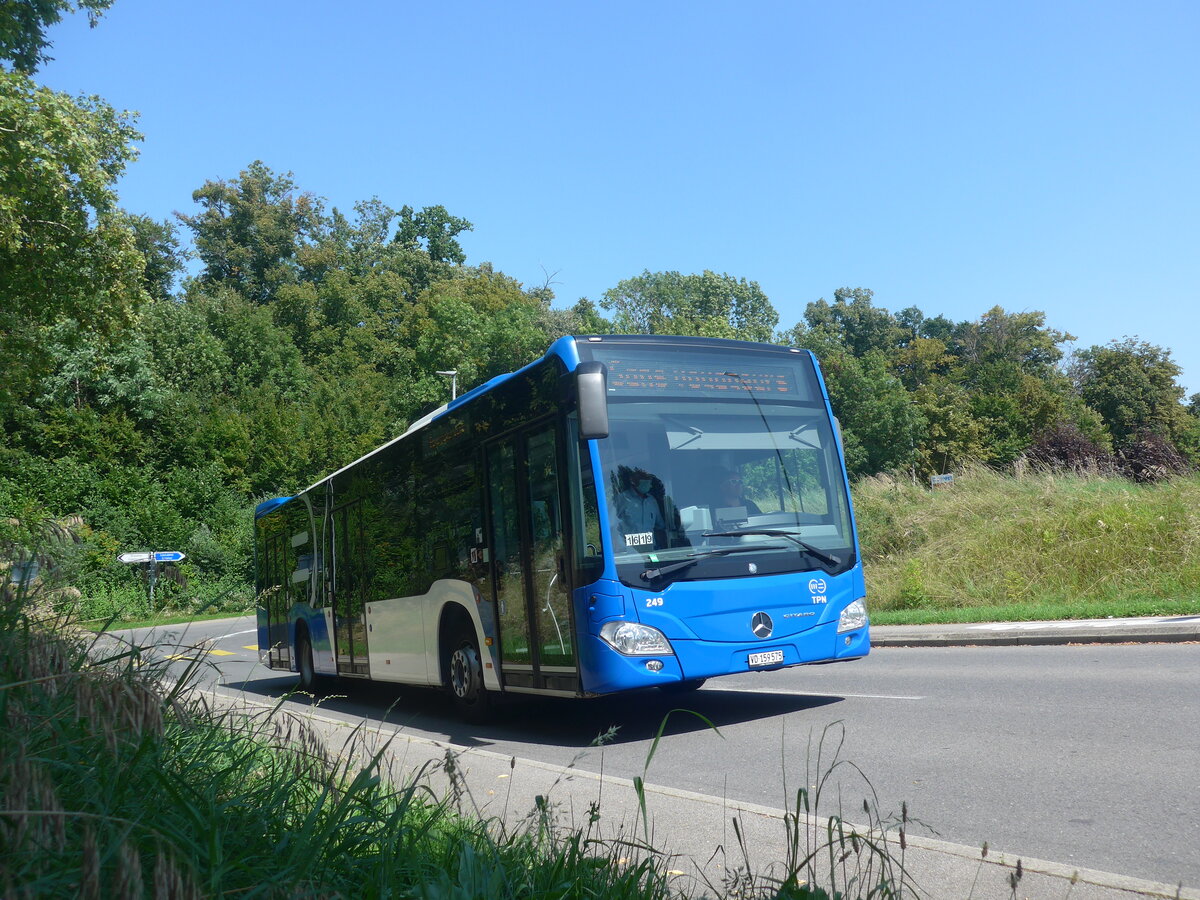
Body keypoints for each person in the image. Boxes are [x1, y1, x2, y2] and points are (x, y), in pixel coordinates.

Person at [615, 467, 666, 543]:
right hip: (630, 551)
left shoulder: (651, 501)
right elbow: (613, 527)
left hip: (651, 549)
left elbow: (660, 525)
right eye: (646, 480)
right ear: (634, 481)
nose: (649, 484)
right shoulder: (622, 499)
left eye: (649, 481)